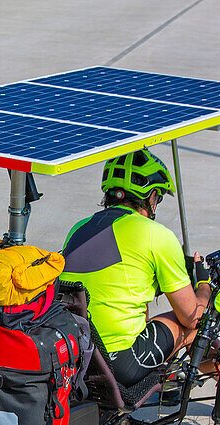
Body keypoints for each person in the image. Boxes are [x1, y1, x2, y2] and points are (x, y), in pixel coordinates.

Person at [60, 148, 211, 388]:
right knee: (197, 327)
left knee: (138, 303)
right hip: (118, 365)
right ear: (150, 196)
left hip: (74, 354)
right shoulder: (156, 235)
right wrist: (203, 284)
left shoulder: (79, 228)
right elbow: (192, 317)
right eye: (158, 197)